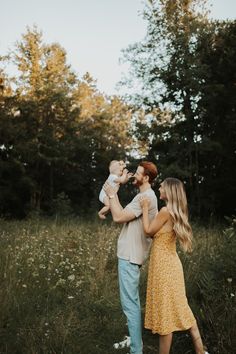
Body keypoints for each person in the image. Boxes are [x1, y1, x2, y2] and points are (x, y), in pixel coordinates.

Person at [139, 178, 209, 354]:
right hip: (170, 266)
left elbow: (148, 231)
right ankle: (200, 351)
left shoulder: (165, 211)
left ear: (169, 191)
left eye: (162, 186)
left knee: (166, 314)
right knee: (180, 306)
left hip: (164, 267)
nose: (159, 187)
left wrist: (145, 208)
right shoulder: (175, 211)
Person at [103, 161, 158, 354]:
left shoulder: (145, 197)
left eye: (138, 173)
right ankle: (134, 340)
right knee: (131, 302)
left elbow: (117, 217)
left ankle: (136, 350)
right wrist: (114, 192)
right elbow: (121, 214)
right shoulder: (144, 196)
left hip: (130, 256)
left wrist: (112, 193)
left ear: (147, 178)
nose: (134, 175)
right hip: (130, 255)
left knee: (130, 305)